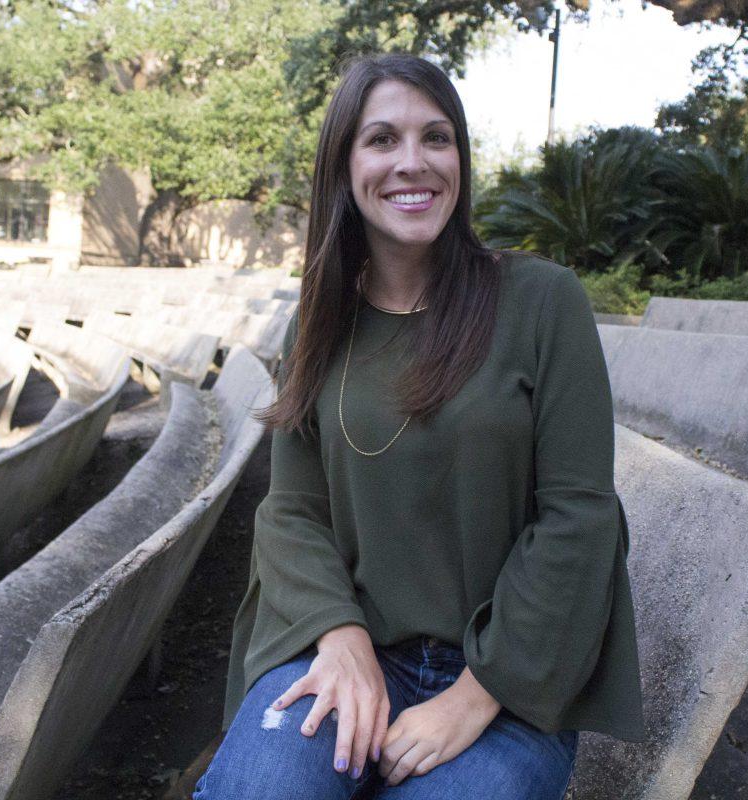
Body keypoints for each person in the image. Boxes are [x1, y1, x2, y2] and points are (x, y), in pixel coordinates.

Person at [195, 52, 646, 800]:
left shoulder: (541, 303)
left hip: (507, 678)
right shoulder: (320, 318)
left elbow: (580, 518)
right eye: (382, 140)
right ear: (343, 166)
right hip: (348, 647)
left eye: (437, 138)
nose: (414, 163)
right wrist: (340, 640)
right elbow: (292, 511)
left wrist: (471, 699)